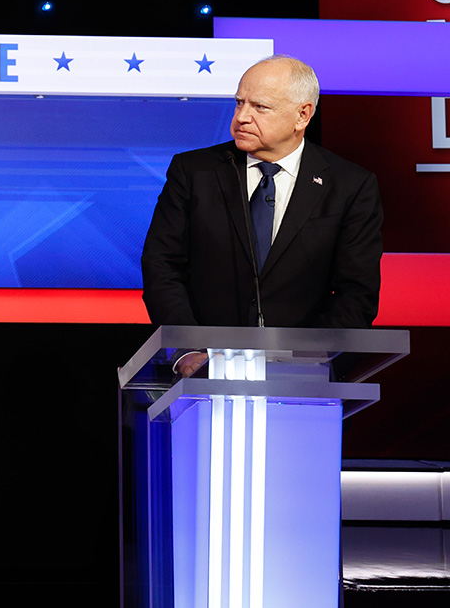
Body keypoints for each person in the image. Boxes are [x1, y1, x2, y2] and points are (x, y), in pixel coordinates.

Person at [141, 55, 383, 375]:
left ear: (302, 114)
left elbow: (357, 292)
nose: (242, 117)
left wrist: (311, 360)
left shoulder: (350, 185)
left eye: (259, 107)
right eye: (239, 103)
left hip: (305, 380)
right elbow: (162, 266)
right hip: (203, 373)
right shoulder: (193, 172)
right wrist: (188, 350)